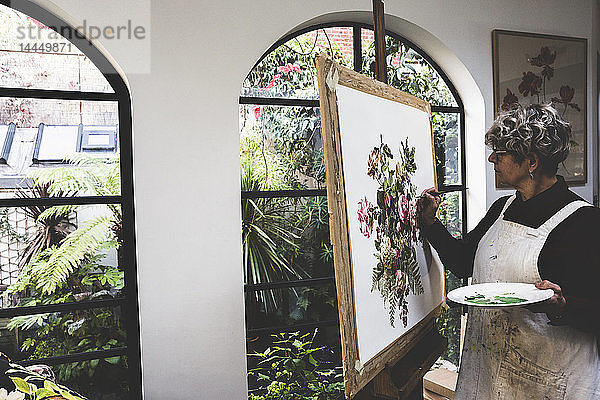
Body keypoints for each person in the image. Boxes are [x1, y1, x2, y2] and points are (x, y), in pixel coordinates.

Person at [418, 103, 600, 399]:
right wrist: (430, 222)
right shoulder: (502, 209)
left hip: (548, 383)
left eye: (501, 152)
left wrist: (562, 305)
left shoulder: (584, 222)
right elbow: (465, 263)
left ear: (531, 161)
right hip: (490, 374)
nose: (492, 158)